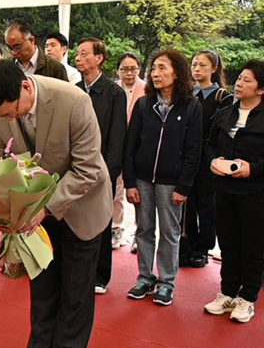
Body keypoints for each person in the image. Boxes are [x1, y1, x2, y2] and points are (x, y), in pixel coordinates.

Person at [0, 60, 111, 348]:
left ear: (25, 87)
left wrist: (46, 208)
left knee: (75, 292)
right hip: (34, 210)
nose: (9, 119)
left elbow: (88, 168)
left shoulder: (73, 101)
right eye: (2, 116)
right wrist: (0, 208)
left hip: (81, 206)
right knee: (42, 286)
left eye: (12, 112)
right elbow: (1, 161)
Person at [124, 49, 201, 306]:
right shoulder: (144, 104)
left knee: (170, 232)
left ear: (177, 73)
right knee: (144, 229)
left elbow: (193, 151)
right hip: (142, 179)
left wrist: (184, 186)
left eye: (162, 68)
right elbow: (130, 145)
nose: (155, 73)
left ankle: (166, 282)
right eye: (154, 68)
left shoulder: (191, 106)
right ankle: (145, 277)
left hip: (172, 183)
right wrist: (130, 181)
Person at [204, 60, 264, 323]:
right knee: (227, 242)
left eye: (247, 80)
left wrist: (253, 169)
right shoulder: (225, 112)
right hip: (224, 189)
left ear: (261, 89)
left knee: (253, 245)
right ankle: (227, 292)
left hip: (255, 192)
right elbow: (209, 144)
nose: (239, 83)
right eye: (239, 78)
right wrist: (213, 161)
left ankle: (247, 298)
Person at [74, 38, 127, 294]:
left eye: (84, 54)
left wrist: (109, 172)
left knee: (101, 223)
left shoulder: (114, 93)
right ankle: (78, 272)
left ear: (99, 58)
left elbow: (117, 137)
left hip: (103, 170)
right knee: (75, 221)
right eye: (77, 54)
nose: (78, 58)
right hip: (75, 168)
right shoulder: (74, 90)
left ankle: (100, 275)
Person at [182, 50, 233, 268]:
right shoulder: (186, 94)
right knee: (186, 202)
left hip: (208, 157)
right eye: (194, 64)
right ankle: (187, 243)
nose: (197, 69)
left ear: (214, 68)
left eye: (203, 65)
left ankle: (202, 248)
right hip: (186, 156)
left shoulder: (223, 97)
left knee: (206, 204)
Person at [114, 53, 146, 252]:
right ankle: (116, 228)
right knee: (116, 189)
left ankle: (139, 234)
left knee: (139, 192)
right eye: (124, 69)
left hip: (139, 147)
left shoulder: (147, 89)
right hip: (117, 146)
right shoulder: (113, 89)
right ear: (118, 70)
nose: (129, 73)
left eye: (133, 69)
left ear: (139, 70)